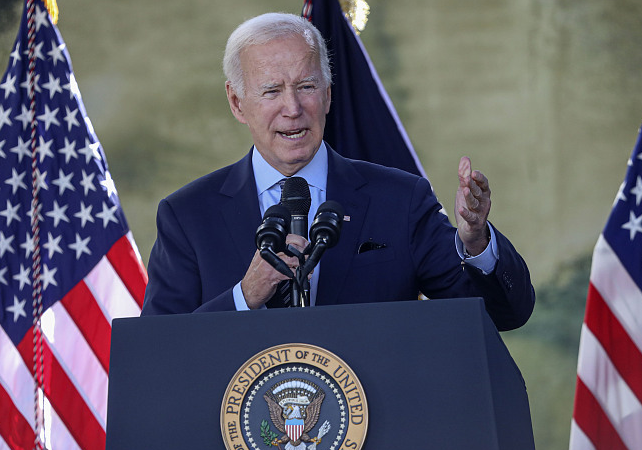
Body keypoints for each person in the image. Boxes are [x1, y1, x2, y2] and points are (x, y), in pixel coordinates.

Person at [140, 12, 534, 331]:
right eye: (272, 91)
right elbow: (159, 355)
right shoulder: (188, 216)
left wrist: (476, 242)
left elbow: (504, 314)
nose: (293, 108)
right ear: (237, 102)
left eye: (307, 86)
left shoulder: (399, 199)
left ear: (328, 94)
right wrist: (246, 295)